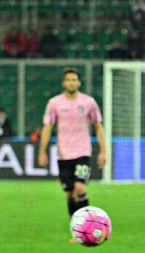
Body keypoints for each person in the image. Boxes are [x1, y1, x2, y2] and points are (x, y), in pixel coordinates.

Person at [38, 68, 107, 241]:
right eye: (68, 80)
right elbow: (47, 127)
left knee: (80, 187)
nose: (71, 82)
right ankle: (77, 231)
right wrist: (42, 151)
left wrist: (103, 151)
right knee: (69, 194)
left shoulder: (88, 102)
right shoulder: (54, 103)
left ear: (79, 82)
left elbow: (98, 126)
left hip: (82, 152)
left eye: (74, 79)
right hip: (63, 154)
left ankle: (87, 228)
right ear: (63, 83)